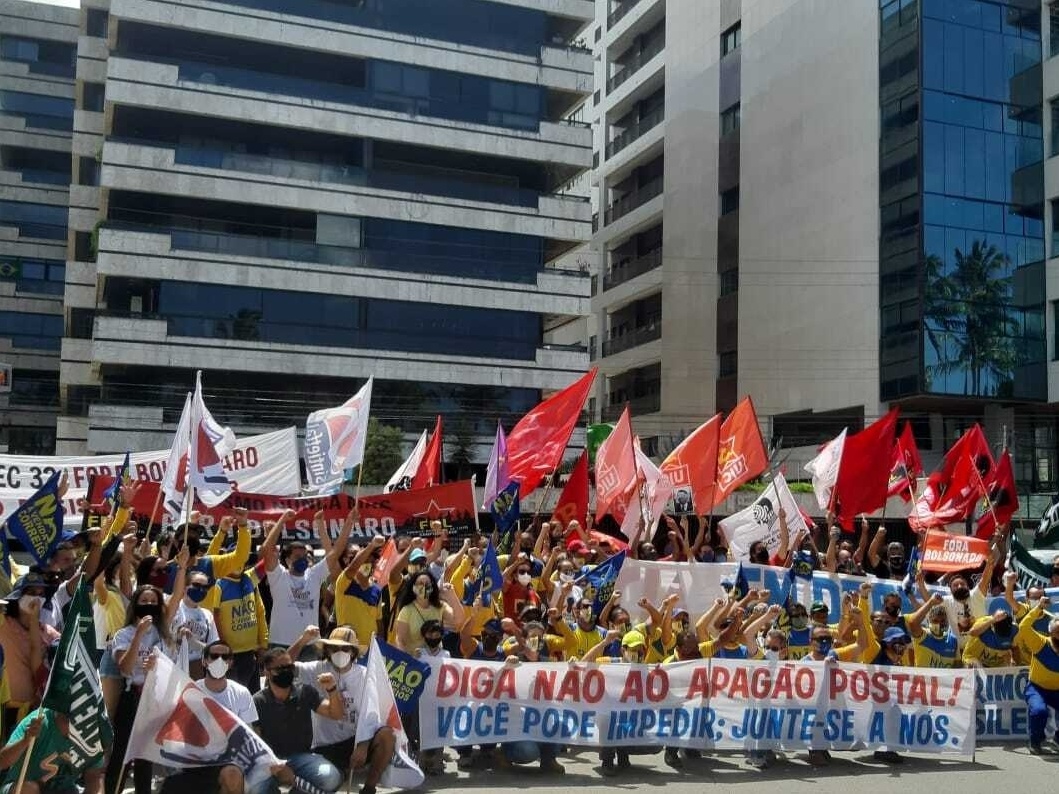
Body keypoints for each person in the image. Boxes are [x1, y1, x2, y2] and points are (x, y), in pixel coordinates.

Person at [288, 626, 396, 794]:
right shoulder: (316, 668)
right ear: (327, 650)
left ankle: (369, 788)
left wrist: (363, 745)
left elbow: (371, 713)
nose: (340, 652)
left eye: (345, 648)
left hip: (356, 739)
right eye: (334, 648)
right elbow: (283, 665)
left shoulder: (365, 675)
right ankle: (338, 775)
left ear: (353, 652)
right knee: (326, 781)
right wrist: (302, 640)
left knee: (387, 735)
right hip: (326, 745)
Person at [106, 572, 186, 794]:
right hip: (132, 698)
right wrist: (139, 635)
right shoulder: (124, 634)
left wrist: (181, 567)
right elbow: (125, 667)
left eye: (153, 602)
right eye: (144, 601)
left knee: (145, 757)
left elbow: (178, 595)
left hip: (155, 700)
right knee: (122, 754)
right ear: (135, 605)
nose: (149, 605)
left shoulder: (164, 634)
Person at [158, 641, 256, 794]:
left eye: (225, 657)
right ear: (204, 661)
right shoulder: (189, 692)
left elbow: (248, 736)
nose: (219, 660)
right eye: (214, 656)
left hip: (228, 760)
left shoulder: (242, 693)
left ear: (230, 663)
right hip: (194, 760)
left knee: (232, 775)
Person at [250, 649, 345, 794]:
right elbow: (255, 743)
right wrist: (276, 765)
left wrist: (332, 689)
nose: (286, 671)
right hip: (270, 762)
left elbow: (336, 714)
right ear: (267, 672)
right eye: (280, 668)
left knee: (331, 778)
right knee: (257, 789)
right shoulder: (257, 701)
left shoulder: (305, 691)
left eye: (290, 667)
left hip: (301, 757)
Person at [260, 513, 330, 659]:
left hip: (310, 645)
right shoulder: (278, 575)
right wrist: (282, 521)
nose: (302, 560)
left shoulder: (314, 575)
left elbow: (332, 554)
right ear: (287, 559)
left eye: (305, 557)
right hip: (281, 644)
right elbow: (266, 551)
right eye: (297, 557)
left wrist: (321, 526)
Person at [0, 708, 105, 794]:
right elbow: (2, 762)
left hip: (65, 790)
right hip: (20, 788)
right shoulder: (38, 721)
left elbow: (95, 778)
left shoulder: (91, 733)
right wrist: (25, 741)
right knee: (29, 789)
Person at [1016, 596, 1059, 754]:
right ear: (1051, 632)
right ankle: (1036, 741)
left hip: (1057, 691)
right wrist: (1038, 608)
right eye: (1057, 631)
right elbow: (1024, 627)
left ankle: (1057, 740)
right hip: (1037, 688)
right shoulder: (1040, 642)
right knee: (1039, 711)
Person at [172, 568, 220, 680]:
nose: (201, 590)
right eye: (196, 585)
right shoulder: (174, 609)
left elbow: (213, 646)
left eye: (205, 587)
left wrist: (196, 644)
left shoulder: (207, 615)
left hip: (197, 666)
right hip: (174, 665)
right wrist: (178, 637)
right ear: (185, 586)